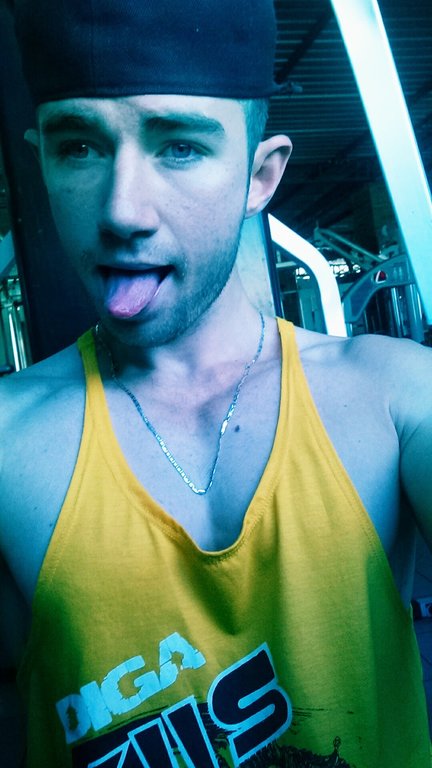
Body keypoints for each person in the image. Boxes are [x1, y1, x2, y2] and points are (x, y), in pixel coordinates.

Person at [0, 0, 431, 766]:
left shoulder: (395, 398)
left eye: (180, 147)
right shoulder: (7, 442)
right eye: (79, 146)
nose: (121, 211)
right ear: (42, 161)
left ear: (260, 176)